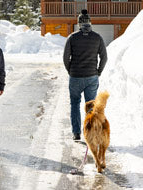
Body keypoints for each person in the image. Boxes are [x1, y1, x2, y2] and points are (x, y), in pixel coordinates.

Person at [63, 9, 107, 141]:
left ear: (79, 23)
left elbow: (65, 57)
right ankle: (91, 132)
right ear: (90, 23)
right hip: (91, 77)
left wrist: (70, 70)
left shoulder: (72, 37)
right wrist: (98, 72)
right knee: (91, 105)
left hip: (75, 76)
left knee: (75, 104)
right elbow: (104, 57)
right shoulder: (97, 37)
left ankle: (76, 133)